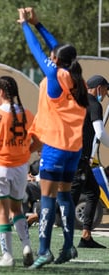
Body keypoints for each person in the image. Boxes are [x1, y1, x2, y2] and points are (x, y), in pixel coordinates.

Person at [18, 7, 89, 269]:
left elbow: (38, 51)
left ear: (57, 60)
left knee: (45, 199)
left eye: (53, 56)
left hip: (56, 147)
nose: (50, 56)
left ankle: (44, 250)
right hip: (73, 148)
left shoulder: (55, 76)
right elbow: (59, 49)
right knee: (64, 196)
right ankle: (69, 245)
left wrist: (25, 25)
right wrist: (39, 23)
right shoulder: (77, 78)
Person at [0, 76, 39, 267]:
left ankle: (7, 255)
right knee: (16, 209)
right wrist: (26, 152)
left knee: (1, 212)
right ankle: (26, 246)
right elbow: (39, 141)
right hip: (19, 168)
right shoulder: (27, 113)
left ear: (1, 91)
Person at [71, 75, 109, 249]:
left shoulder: (78, 102)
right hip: (79, 160)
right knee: (69, 199)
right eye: (106, 90)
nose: (106, 94)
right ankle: (36, 217)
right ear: (99, 87)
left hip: (78, 158)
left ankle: (86, 236)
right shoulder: (94, 103)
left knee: (93, 192)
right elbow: (100, 133)